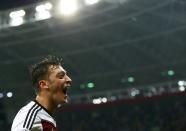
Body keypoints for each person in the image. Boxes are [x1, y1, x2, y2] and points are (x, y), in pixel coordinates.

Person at [11, 55, 72, 131]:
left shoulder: (44, 116)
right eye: (61, 76)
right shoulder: (31, 116)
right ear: (44, 84)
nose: (69, 79)